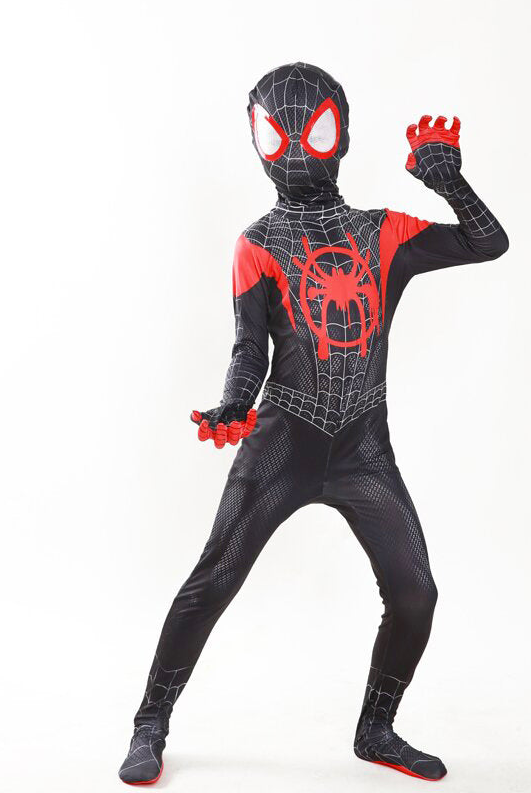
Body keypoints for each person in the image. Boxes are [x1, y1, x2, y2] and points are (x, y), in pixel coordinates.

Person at [118, 61, 508, 785]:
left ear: (342, 135)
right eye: (278, 135)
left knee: (415, 592)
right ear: (258, 142)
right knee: (213, 581)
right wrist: (235, 405)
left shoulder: (383, 233)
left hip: (363, 446)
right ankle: (150, 724)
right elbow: (250, 348)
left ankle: (376, 730)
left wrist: (449, 181)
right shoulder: (258, 242)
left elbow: (487, 242)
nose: (297, 150)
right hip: (283, 441)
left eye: (316, 130)